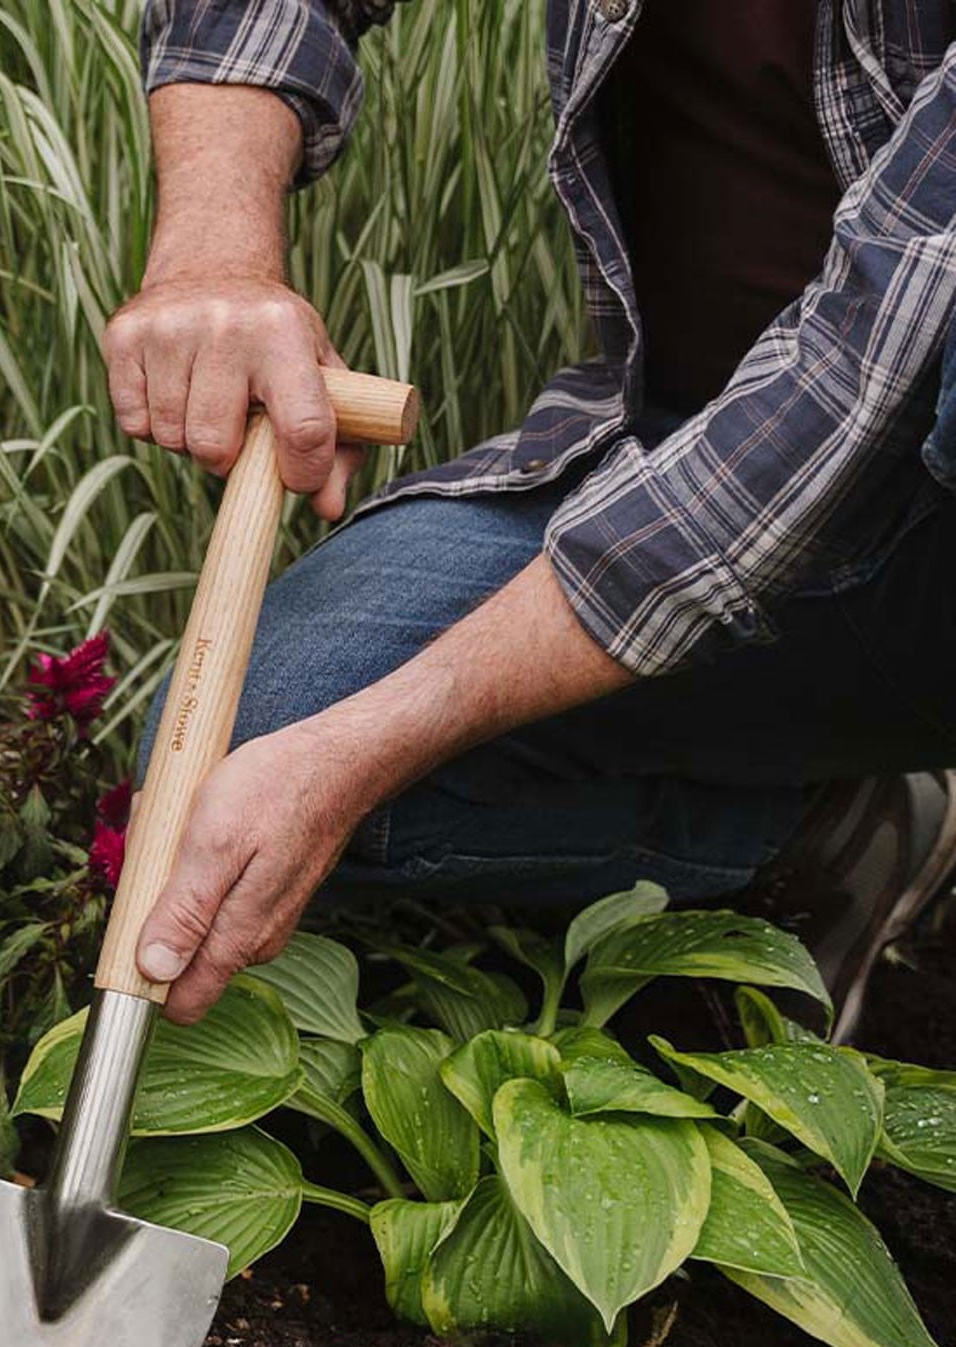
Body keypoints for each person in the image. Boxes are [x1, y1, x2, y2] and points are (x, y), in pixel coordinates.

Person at [104, 0, 956, 1040]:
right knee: (255, 736)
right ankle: (827, 828)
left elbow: (864, 369)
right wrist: (213, 260)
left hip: (918, 496)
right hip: (689, 447)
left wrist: (377, 741)